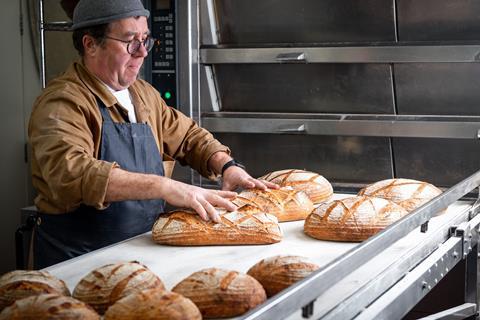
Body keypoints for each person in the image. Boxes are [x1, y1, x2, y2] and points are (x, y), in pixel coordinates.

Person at [28, 0, 277, 269]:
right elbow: (72, 173)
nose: (142, 53)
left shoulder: (142, 94)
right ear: (90, 45)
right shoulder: (63, 102)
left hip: (142, 253)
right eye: (130, 41)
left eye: (145, 40)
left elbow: (188, 137)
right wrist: (165, 186)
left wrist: (227, 166)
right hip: (78, 261)